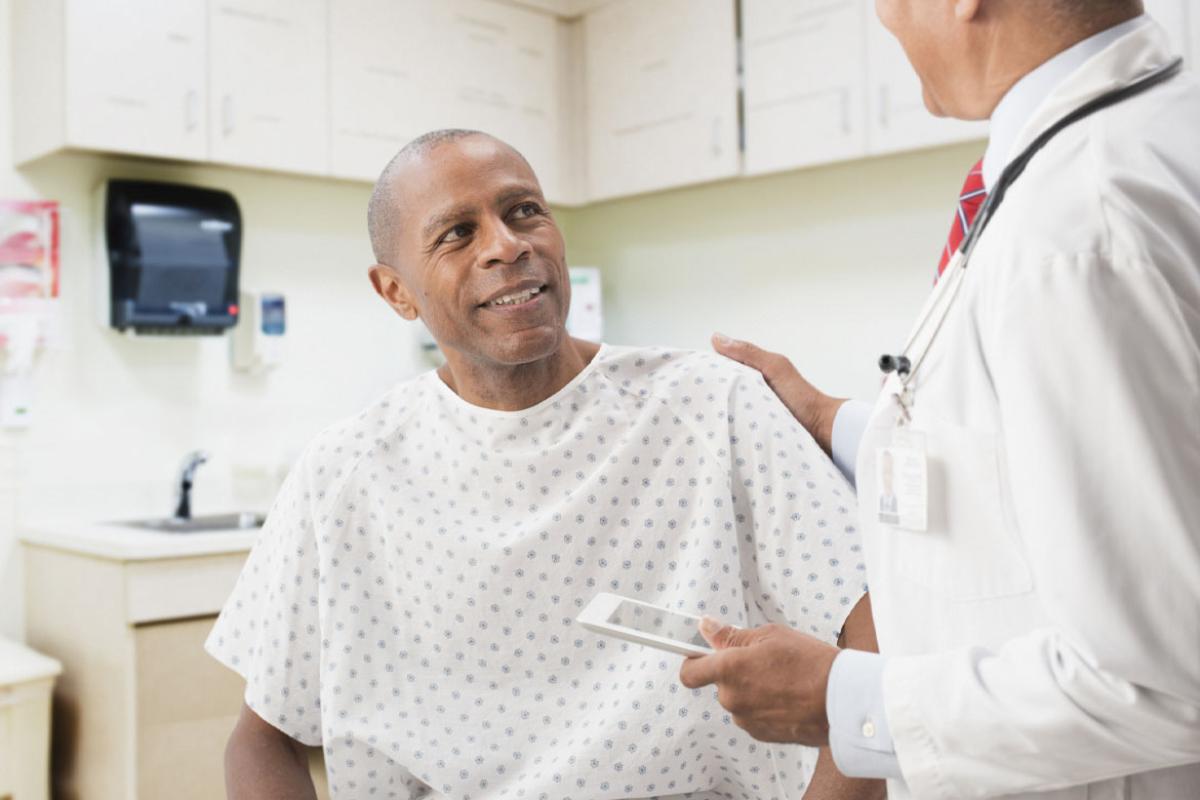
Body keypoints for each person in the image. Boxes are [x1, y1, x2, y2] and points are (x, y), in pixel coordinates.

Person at [206, 129, 885, 800]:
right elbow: (264, 738)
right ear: (396, 292)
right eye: (456, 233)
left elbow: (875, 625)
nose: (507, 245)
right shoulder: (344, 473)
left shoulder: (712, 405)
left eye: (523, 210)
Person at [679, 1, 1200, 798]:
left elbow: (1161, 680)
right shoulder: (1119, 144)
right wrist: (835, 423)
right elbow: (1028, 456)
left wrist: (843, 699)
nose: (883, 18)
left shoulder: (1076, 228)